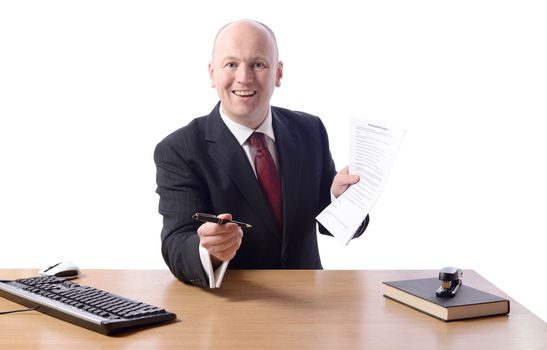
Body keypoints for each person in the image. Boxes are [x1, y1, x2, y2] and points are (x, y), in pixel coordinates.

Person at [154, 19, 369, 288]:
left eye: (258, 64)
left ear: (278, 73)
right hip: (233, 307)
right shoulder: (179, 150)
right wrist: (207, 249)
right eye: (231, 64)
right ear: (212, 73)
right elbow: (175, 243)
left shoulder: (309, 130)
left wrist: (340, 199)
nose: (244, 77)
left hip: (309, 303)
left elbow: (332, 224)